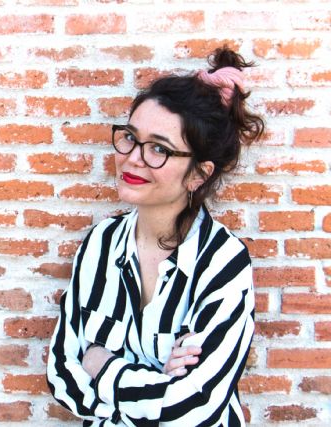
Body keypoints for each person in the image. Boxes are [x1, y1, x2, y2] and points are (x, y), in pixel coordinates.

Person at [46, 46, 265, 426]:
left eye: (159, 149)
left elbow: (194, 407)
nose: (133, 157)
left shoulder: (222, 262)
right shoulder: (100, 245)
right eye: (130, 137)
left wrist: (103, 365)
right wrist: (156, 387)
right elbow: (63, 377)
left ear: (198, 174)